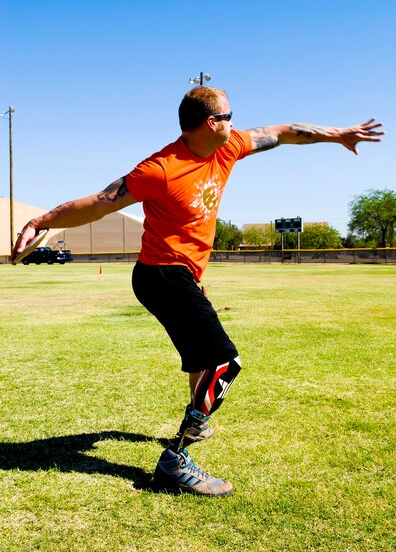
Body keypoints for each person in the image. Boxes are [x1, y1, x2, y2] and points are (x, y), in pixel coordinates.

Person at [12, 86, 384, 497]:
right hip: (160, 274)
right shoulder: (161, 169)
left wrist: (339, 135)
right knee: (225, 362)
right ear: (211, 122)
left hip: (184, 275)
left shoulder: (229, 147)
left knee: (200, 359)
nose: (234, 122)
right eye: (229, 115)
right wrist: (40, 222)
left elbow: (283, 132)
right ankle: (176, 461)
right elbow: (100, 203)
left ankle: (196, 417)